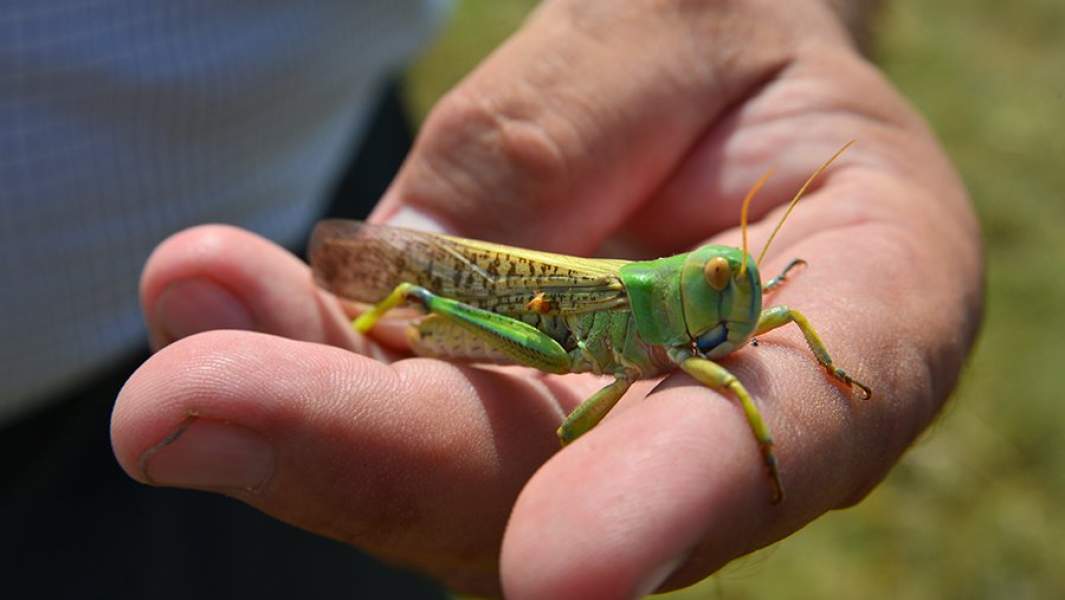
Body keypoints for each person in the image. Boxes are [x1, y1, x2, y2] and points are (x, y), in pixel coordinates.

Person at [18, 1, 986, 598]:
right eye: (729, 278)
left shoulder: (730, 315)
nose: (744, 294)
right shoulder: (666, 325)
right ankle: (360, 332)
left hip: (311, 159)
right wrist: (765, 441)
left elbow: (769, 335)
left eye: (736, 281)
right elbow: (661, 389)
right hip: (539, 322)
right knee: (415, 294)